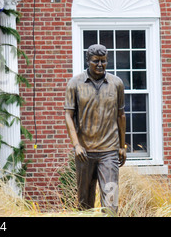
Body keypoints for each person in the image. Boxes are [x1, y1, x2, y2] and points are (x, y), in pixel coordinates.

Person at [64, 44, 126, 214]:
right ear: (88, 61)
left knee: (111, 204)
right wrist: (76, 145)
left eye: (104, 61)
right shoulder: (75, 83)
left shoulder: (116, 83)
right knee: (85, 204)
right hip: (85, 152)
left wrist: (122, 146)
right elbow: (68, 115)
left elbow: (121, 115)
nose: (100, 65)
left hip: (109, 151)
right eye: (96, 61)